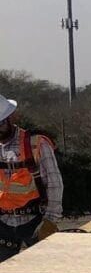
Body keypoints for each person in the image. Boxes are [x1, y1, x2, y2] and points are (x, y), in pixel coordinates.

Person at [0, 96, 62, 263]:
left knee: (45, 272)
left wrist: (50, 220)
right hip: (3, 223)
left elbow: (55, 184)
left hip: (35, 221)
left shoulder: (36, 143)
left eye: (0, 124)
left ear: (11, 118)